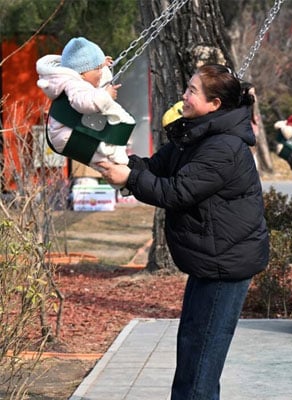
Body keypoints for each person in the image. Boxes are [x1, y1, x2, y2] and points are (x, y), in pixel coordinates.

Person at [98, 64, 269, 399]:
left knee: (202, 359)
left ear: (215, 104)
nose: (184, 95)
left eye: (192, 90)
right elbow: (155, 168)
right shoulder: (194, 134)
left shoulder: (223, 147)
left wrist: (129, 180)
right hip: (210, 259)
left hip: (226, 264)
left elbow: (175, 192)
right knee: (192, 347)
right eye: (187, 87)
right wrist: (118, 163)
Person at [36, 37, 135, 172]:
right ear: (82, 73)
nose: (101, 73)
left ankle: (124, 176)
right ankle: (124, 176)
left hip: (69, 132)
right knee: (108, 163)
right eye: (98, 69)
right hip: (69, 135)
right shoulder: (73, 84)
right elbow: (84, 103)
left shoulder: (78, 79)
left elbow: (93, 84)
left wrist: (101, 64)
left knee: (109, 162)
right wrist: (106, 96)